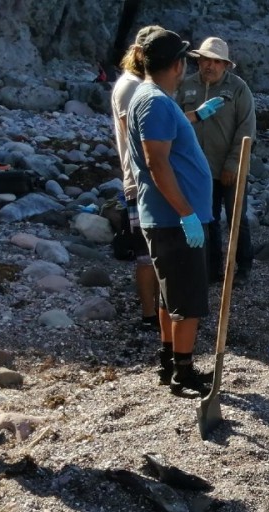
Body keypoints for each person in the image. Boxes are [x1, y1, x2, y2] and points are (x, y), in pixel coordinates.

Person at [126, 29, 214, 398]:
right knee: (188, 299)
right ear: (177, 65)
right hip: (173, 219)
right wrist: (186, 213)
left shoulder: (151, 98)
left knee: (170, 296)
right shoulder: (156, 102)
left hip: (167, 217)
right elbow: (156, 162)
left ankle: (169, 362)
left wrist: (196, 116)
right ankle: (184, 371)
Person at [177, 37, 256, 285]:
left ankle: (243, 268)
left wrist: (233, 164)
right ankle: (212, 271)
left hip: (231, 167)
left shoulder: (239, 88)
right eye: (205, 60)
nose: (209, 65)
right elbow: (176, 120)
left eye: (215, 61)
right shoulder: (186, 86)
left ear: (225, 65)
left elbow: (247, 128)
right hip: (200, 169)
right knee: (207, 219)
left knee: (236, 219)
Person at [111, 25, 164, 331]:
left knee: (153, 251)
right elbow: (141, 135)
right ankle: (149, 316)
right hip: (142, 181)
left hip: (143, 178)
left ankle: (155, 313)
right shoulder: (131, 87)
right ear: (142, 53)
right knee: (147, 254)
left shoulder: (136, 83)